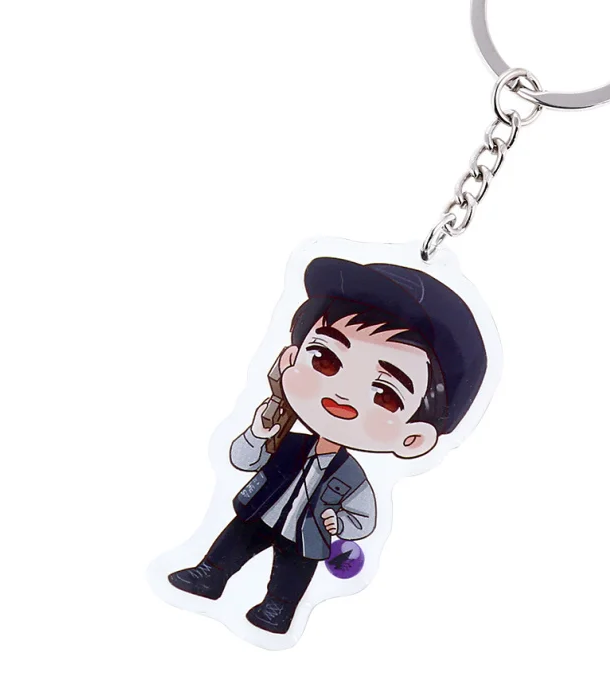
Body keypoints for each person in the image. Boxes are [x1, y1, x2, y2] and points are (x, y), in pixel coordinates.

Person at [169, 257, 487, 634]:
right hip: (260, 511)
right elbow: (243, 459)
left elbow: (364, 518)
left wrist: (340, 523)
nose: (343, 394)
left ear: (413, 437)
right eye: (324, 360)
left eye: (385, 395)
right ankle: (210, 573)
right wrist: (260, 430)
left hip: (307, 535)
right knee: (235, 538)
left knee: (293, 573)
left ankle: (278, 608)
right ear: (290, 360)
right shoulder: (286, 440)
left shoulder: (352, 476)